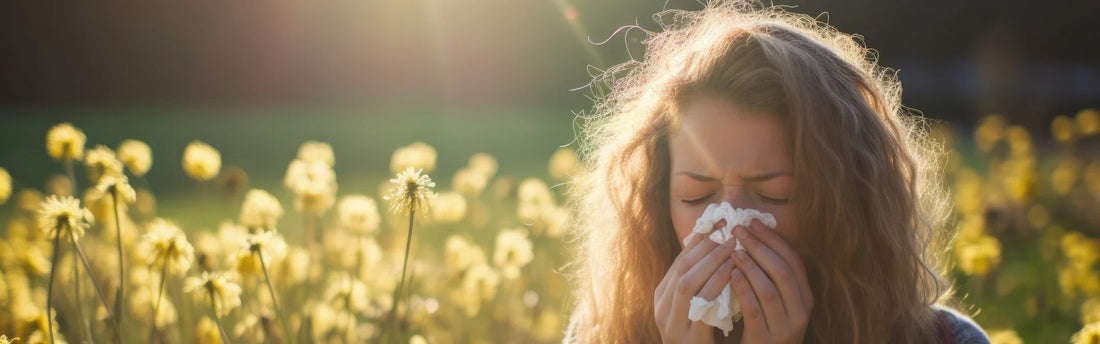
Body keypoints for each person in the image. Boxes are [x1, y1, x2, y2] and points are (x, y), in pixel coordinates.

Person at [560, 1, 992, 343]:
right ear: (658, 198)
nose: (730, 228)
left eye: (773, 195)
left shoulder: (943, 340)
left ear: (845, 202)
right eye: (696, 195)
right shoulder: (601, 335)